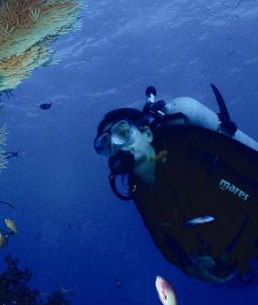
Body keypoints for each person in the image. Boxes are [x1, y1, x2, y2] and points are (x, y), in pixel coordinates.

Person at [94, 85, 258, 283]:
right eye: (106, 144)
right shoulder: (137, 190)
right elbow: (160, 237)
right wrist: (189, 268)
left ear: (147, 133)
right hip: (236, 254)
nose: (116, 146)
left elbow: (247, 163)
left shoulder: (188, 144)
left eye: (123, 132)